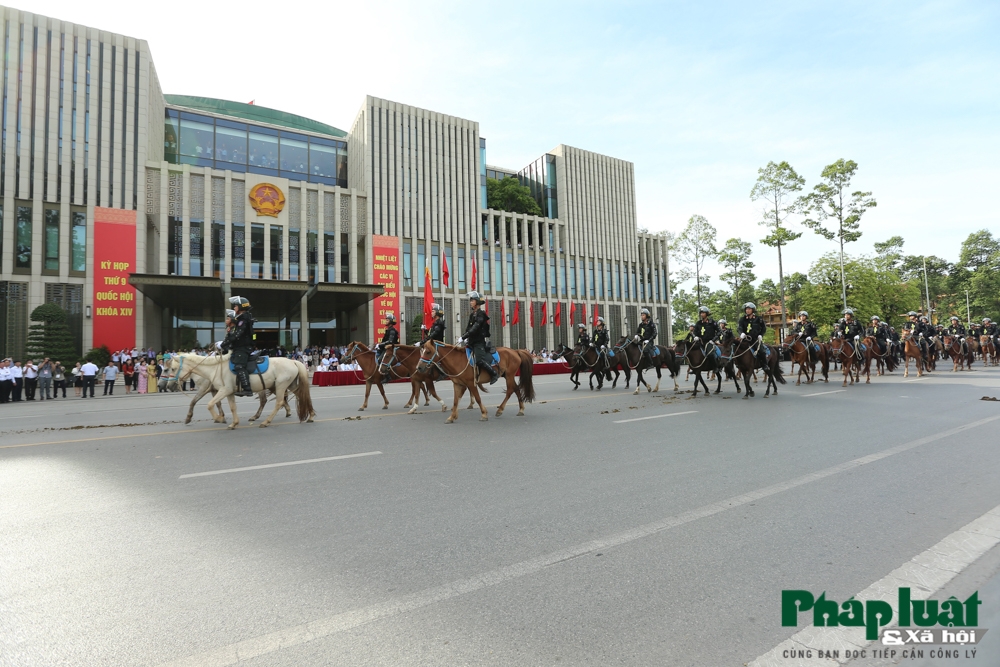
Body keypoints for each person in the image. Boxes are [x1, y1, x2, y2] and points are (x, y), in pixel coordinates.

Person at [459, 291, 498, 384]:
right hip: (472, 341)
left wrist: (464, 337)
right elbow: (469, 328)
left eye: (472, 300)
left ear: (477, 302)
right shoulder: (473, 314)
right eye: (470, 300)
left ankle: (494, 373)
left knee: (479, 360)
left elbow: (475, 327)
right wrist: (465, 337)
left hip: (479, 342)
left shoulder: (481, 314)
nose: (471, 302)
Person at [221, 296, 256, 397]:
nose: (234, 308)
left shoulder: (243, 320)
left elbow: (237, 335)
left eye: (236, 306)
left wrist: (224, 344)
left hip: (243, 348)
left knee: (239, 366)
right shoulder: (242, 319)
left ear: (241, 307)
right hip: (241, 347)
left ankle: (247, 389)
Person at [737, 302, 768, 368]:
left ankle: (765, 364)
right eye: (746, 309)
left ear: (753, 310)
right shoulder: (742, 319)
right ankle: (738, 363)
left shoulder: (758, 319)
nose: (747, 310)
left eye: (749, 309)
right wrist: (741, 333)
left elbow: (764, 328)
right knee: (736, 349)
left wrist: (761, 335)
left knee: (761, 351)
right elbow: (739, 328)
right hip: (745, 339)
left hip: (755, 339)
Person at [374, 312, 400, 384]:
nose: (386, 321)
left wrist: (380, 345)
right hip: (386, 348)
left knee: (380, 360)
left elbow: (390, 341)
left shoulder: (392, 330)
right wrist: (379, 345)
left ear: (391, 321)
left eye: (387, 320)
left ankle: (387, 376)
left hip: (390, 348)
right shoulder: (389, 329)